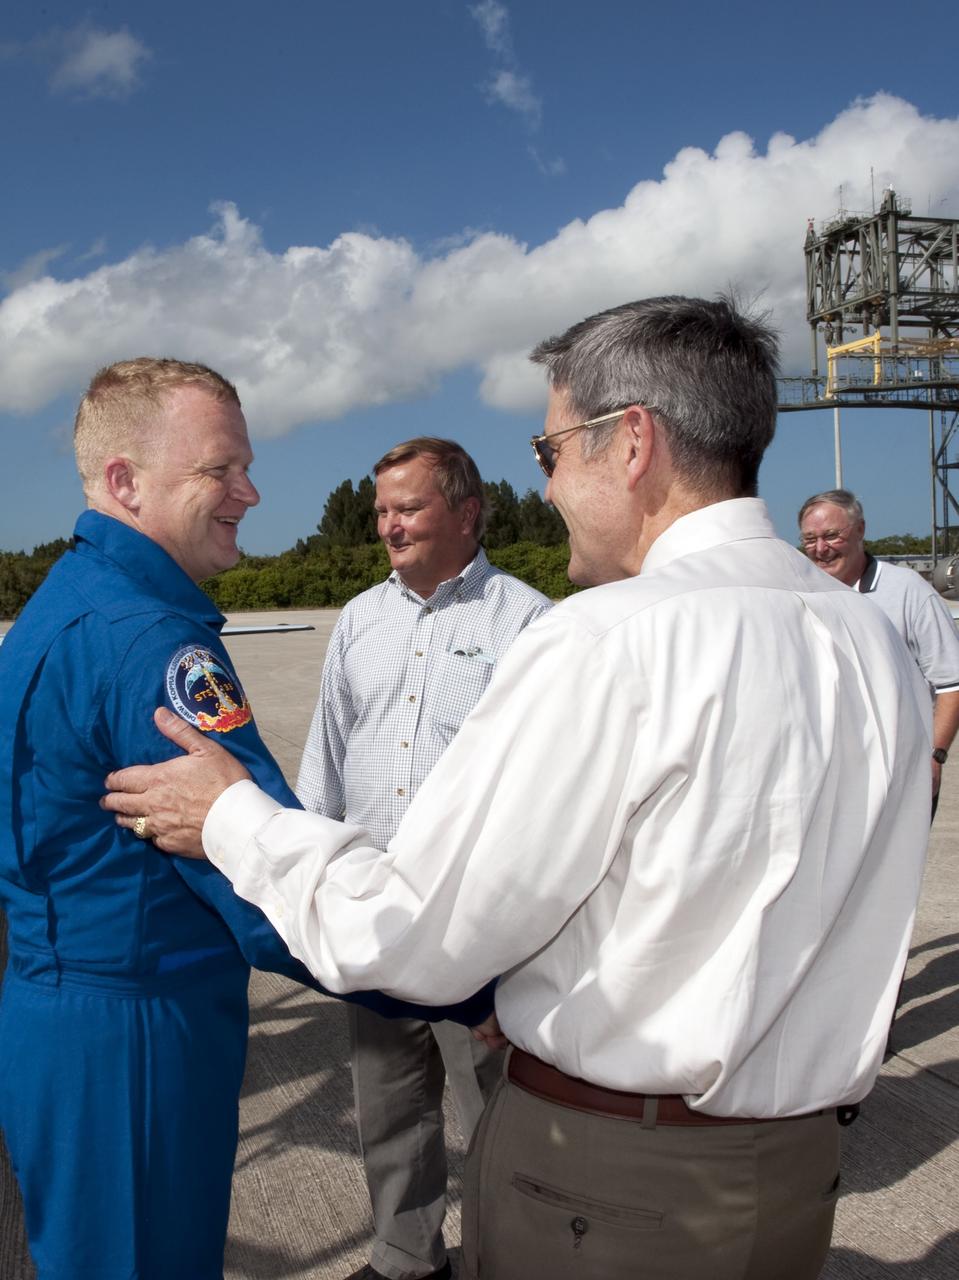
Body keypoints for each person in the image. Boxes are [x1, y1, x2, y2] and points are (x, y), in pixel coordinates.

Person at [104, 298, 933, 1280]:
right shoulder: (870, 638)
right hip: (792, 1175)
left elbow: (407, 931)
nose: (543, 488)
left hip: (609, 1188)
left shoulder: (604, 635)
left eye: (547, 451)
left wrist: (232, 815)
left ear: (630, 442)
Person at [0, 358, 491, 1280]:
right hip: (142, 1041)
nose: (251, 491)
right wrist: (464, 993)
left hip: (57, 1022)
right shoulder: (151, 644)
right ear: (124, 482)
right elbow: (260, 891)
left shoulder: (59, 610)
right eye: (218, 471)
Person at [297, 437, 551, 1280]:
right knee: (389, 1107)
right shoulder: (359, 621)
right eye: (380, 511)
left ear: (466, 512)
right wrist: (311, 889)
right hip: (374, 910)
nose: (387, 525)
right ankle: (406, 1259)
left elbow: (546, 790)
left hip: (471, 924)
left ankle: (496, 1258)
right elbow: (324, 762)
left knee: (494, 1114)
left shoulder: (524, 622)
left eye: (406, 507)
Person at [799, 488, 959, 812]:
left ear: (860, 530)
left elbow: (952, 683)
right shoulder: (798, 594)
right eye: (809, 539)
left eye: (831, 535)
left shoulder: (908, 592)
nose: (821, 549)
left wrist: (935, 756)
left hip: (898, 770)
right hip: (823, 773)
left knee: (895, 864)